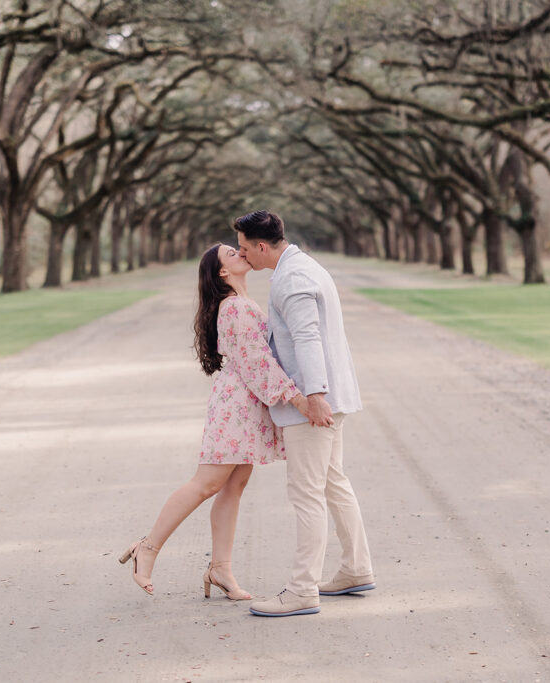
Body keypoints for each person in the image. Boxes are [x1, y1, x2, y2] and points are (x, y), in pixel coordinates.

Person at [119, 243, 311, 600]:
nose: (240, 252)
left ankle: (220, 569)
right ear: (222, 272)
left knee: (234, 484)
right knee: (206, 483)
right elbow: (257, 363)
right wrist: (296, 397)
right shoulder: (236, 307)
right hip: (235, 409)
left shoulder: (239, 304)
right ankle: (148, 547)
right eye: (231, 253)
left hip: (245, 407)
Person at [235, 210, 375, 618]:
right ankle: (355, 568)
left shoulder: (293, 278)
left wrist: (313, 395)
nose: (243, 256)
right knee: (333, 482)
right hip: (334, 397)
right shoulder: (303, 265)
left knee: (306, 492)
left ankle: (301, 590)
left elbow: (307, 337)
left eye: (245, 249)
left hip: (316, 401)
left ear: (262, 246)